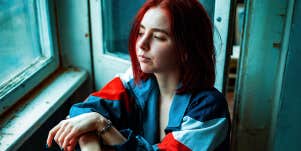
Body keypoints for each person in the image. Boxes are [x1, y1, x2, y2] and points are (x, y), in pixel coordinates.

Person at [46, 0, 231, 150]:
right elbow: (84, 111)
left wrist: (101, 125)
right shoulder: (135, 83)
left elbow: (92, 118)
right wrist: (90, 139)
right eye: (141, 32)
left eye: (158, 37)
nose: (141, 44)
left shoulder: (210, 110)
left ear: (186, 50)